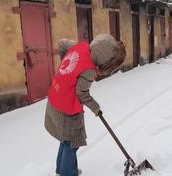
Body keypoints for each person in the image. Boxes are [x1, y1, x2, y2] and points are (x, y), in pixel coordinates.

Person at [45, 35, 126, 176]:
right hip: (66, 110)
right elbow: (82, 93)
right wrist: (96, 108)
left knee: (65, 140)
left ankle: (61, 169)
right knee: (72, 143)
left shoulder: (80, 47)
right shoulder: (89, 70)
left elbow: (62, 43)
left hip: (54, 99)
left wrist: (67, 65)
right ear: (105, 61)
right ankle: (68, 173)